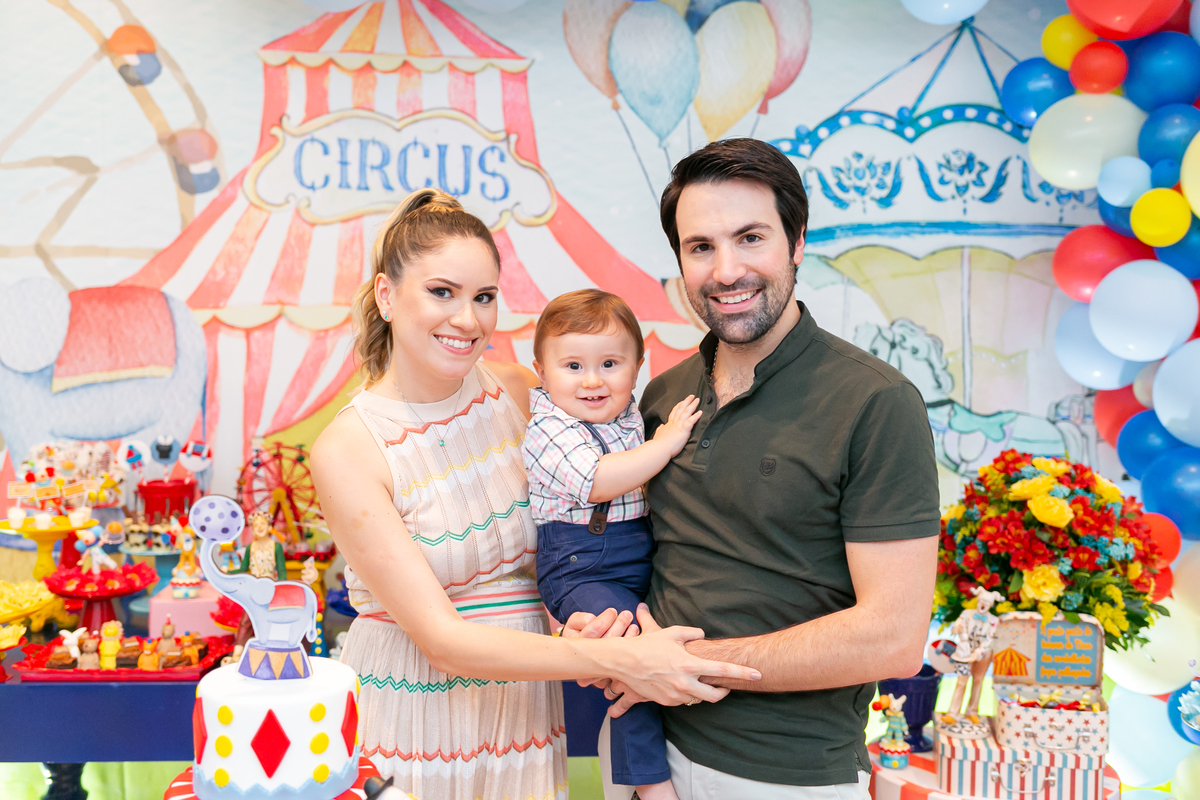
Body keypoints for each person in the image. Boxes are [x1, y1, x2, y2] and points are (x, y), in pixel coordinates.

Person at [310, 189, 760, 800]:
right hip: (416, 715)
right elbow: (442, 643)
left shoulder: (520, 391)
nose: (467, 319)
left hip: (524, 709)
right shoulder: (349, 449)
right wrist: (622, 660)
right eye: (442, 292)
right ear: (386, 295)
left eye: (484, 297)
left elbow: (571, 526)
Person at [569, 138, 940, 800]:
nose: (726, 269)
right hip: (642, 748)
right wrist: (601, 628)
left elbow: (892, 638)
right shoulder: (659, 397)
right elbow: (634, 554)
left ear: (796, 241)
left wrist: (682, 664)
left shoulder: (876, 403)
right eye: (701, 247)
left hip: (785, 775)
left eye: (750, 238)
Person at [524, 289, 702, 800]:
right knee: (636, 661)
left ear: (638, 365)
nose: (593, 380)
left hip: (633, 558)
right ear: (541, 370)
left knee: (663, 647)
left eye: (610, 363)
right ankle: (652, 786)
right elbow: (599, 479)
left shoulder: (627, 418)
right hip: (581, 564)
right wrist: (665, 444)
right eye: (573, 365)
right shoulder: (550, 429)